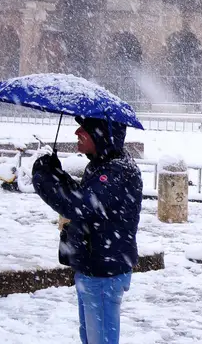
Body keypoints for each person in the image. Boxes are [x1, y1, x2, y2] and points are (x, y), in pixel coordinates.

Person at [32, 117, 143, 344]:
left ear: (103, 135)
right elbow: (87, 203)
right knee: (92, 338)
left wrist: (44, 178)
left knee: (99, 339)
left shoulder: (115, 171)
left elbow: (79, 206)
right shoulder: (103, 165)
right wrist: (57, 175)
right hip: (94, 267)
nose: (77, 131)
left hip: (103, 272)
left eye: (86, 128)